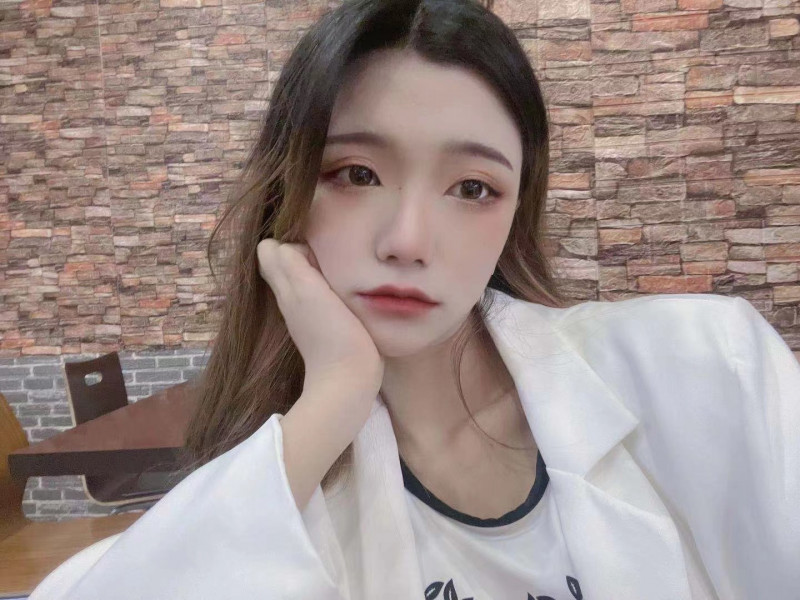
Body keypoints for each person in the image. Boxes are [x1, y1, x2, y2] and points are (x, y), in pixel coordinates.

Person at [30, 0, 799, 598]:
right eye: (356, 175)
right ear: (287, 192)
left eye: (473, 188)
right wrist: (334, 396)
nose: (407, 240)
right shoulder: (285, 492)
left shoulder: (711, 369)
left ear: (515, 212)